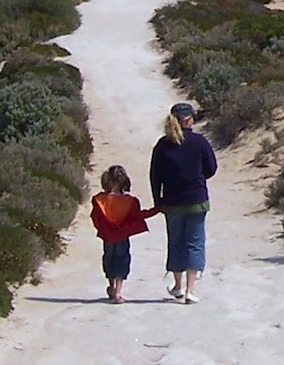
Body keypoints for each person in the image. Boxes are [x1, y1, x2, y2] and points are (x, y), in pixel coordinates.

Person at [148, 101, 215, 303]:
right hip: (196, 200)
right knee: (195, 242)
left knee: (176, 242)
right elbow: (211, 168)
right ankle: (189, 290)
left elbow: (154, 176)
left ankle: (177, 286)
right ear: (189, 120)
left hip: (171, 202)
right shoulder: (199, 141)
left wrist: (157, 200)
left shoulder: (162, 144)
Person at [90, 165, 158, 304]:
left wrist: (101, 229)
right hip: (122, 236)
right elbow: (139, 215)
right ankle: (118, 292)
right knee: (122, 260)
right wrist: (157, 209)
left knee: (109, 259)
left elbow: (95, 218)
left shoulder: (99, 200)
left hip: (107, 236)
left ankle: (112, 286)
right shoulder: (130, 202)